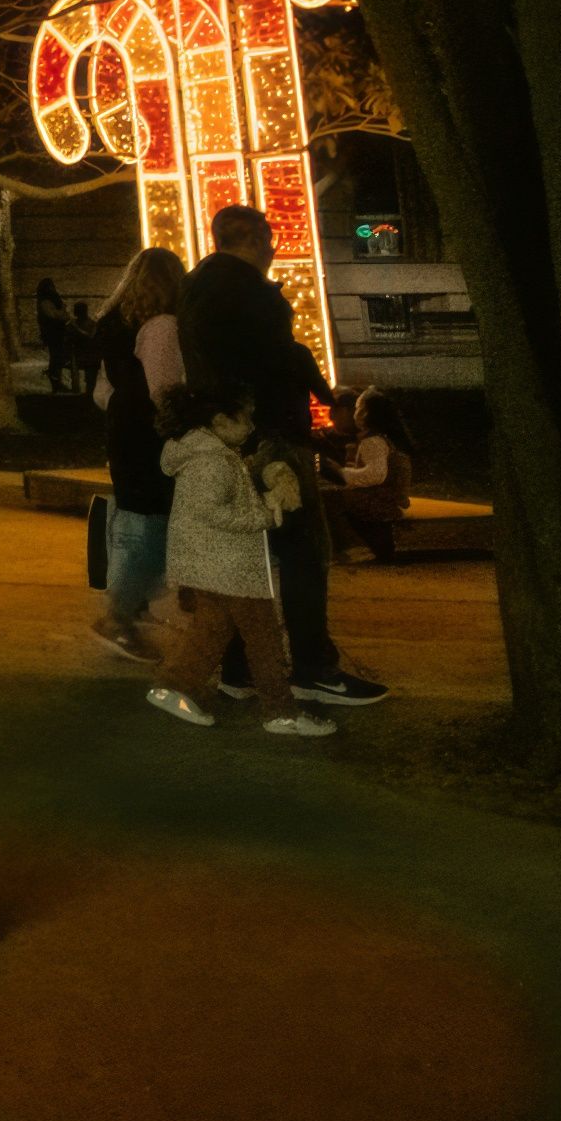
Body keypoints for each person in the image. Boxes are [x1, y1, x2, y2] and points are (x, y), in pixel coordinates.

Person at [178, 205, 392, 709]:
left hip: (226, 434)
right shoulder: (253, 294)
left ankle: (239, 667)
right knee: (303, 555)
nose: (274, 253)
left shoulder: (194, 289)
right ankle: (314, 667)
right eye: (270, 243)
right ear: (257, 239)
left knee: (246, 558)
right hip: (273, 435)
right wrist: (314, 384)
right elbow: (279, 361)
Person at [145, 383, 335, 736]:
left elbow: (221, 504)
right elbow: (216, 513)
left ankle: (173, 688)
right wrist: (267, 513)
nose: (251, 426)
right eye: (244, 419)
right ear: (220, 421)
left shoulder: (213, 455)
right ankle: (282, 713)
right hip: (228, 566)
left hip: (216, 566)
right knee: (263, 639)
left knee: (211, 632)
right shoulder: (212, 462)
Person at [87, 245, 188, 663]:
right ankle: (120, 617)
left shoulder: (115, 324)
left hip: (123, 432)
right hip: (152, 437)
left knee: (135, 521)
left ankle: (131, 607)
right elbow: (164, 391)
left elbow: (100, 392)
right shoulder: (163, 326)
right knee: (153, 527)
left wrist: (122, 413)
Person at [324, 386, 416, 564]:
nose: (355, 414)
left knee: (332, 499)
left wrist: (342, 473)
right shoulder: (376, 439)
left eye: (358, 409)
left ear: (366, 414)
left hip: (378, 499)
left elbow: (375, 475)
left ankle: (353, 548)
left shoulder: (373, 441)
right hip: (381, 497)